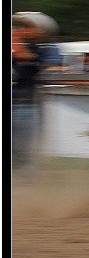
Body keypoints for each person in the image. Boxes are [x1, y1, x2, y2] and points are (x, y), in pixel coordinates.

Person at [12, 15, 43, 169]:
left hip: (24, 104)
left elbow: (23, 56)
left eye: (25, 27)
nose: (19, 30)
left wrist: (14, 39)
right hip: (20, 103)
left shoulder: (35, 49)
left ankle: (21, 180)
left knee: (21, 147)